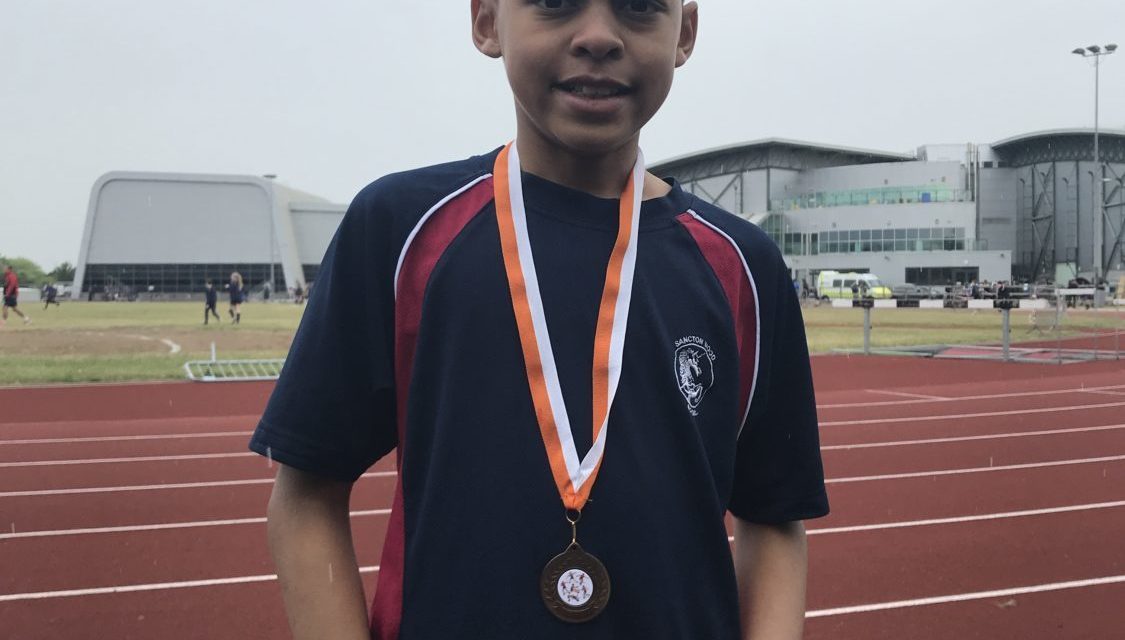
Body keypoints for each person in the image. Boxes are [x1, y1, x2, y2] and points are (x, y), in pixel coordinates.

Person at [250, 3, 827, 639]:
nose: (599, 37)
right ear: (488, 22)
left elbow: (772, 519)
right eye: (555, 2)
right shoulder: (399, 229)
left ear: (684, 33)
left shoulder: (744, 266)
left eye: (639, 8)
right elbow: (306, 493)